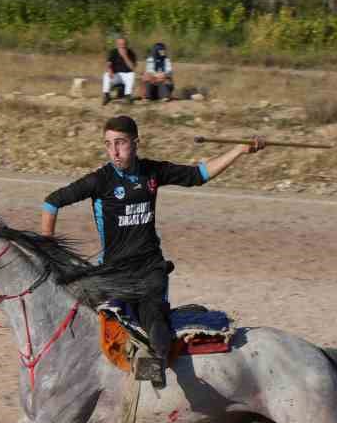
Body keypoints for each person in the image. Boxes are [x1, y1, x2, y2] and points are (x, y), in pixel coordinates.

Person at [39, 115, 262, 388]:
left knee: (155, 326)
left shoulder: (152, 172)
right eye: (108, 144)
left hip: (150, 271)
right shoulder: (100, 180)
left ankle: (150, 383)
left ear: (135, 143)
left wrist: (239, 150)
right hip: (112, 272)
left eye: (120, 143)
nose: (114, 151)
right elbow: (51, 203)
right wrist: (48, 250)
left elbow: (198, 175)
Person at [103, 35, 137, 104]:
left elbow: (132, 68)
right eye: (120, 44)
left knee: (132, 74)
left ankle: (128, 95)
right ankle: (106, 95)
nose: (122, 46)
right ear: (117, 45)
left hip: (127, 75)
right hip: (116, 75)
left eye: (124, 44)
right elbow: (108, 63)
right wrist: (109, 69)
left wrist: (125, 56)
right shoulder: (113, 52)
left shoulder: (131, 53)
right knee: (106, 75)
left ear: (126, 45)